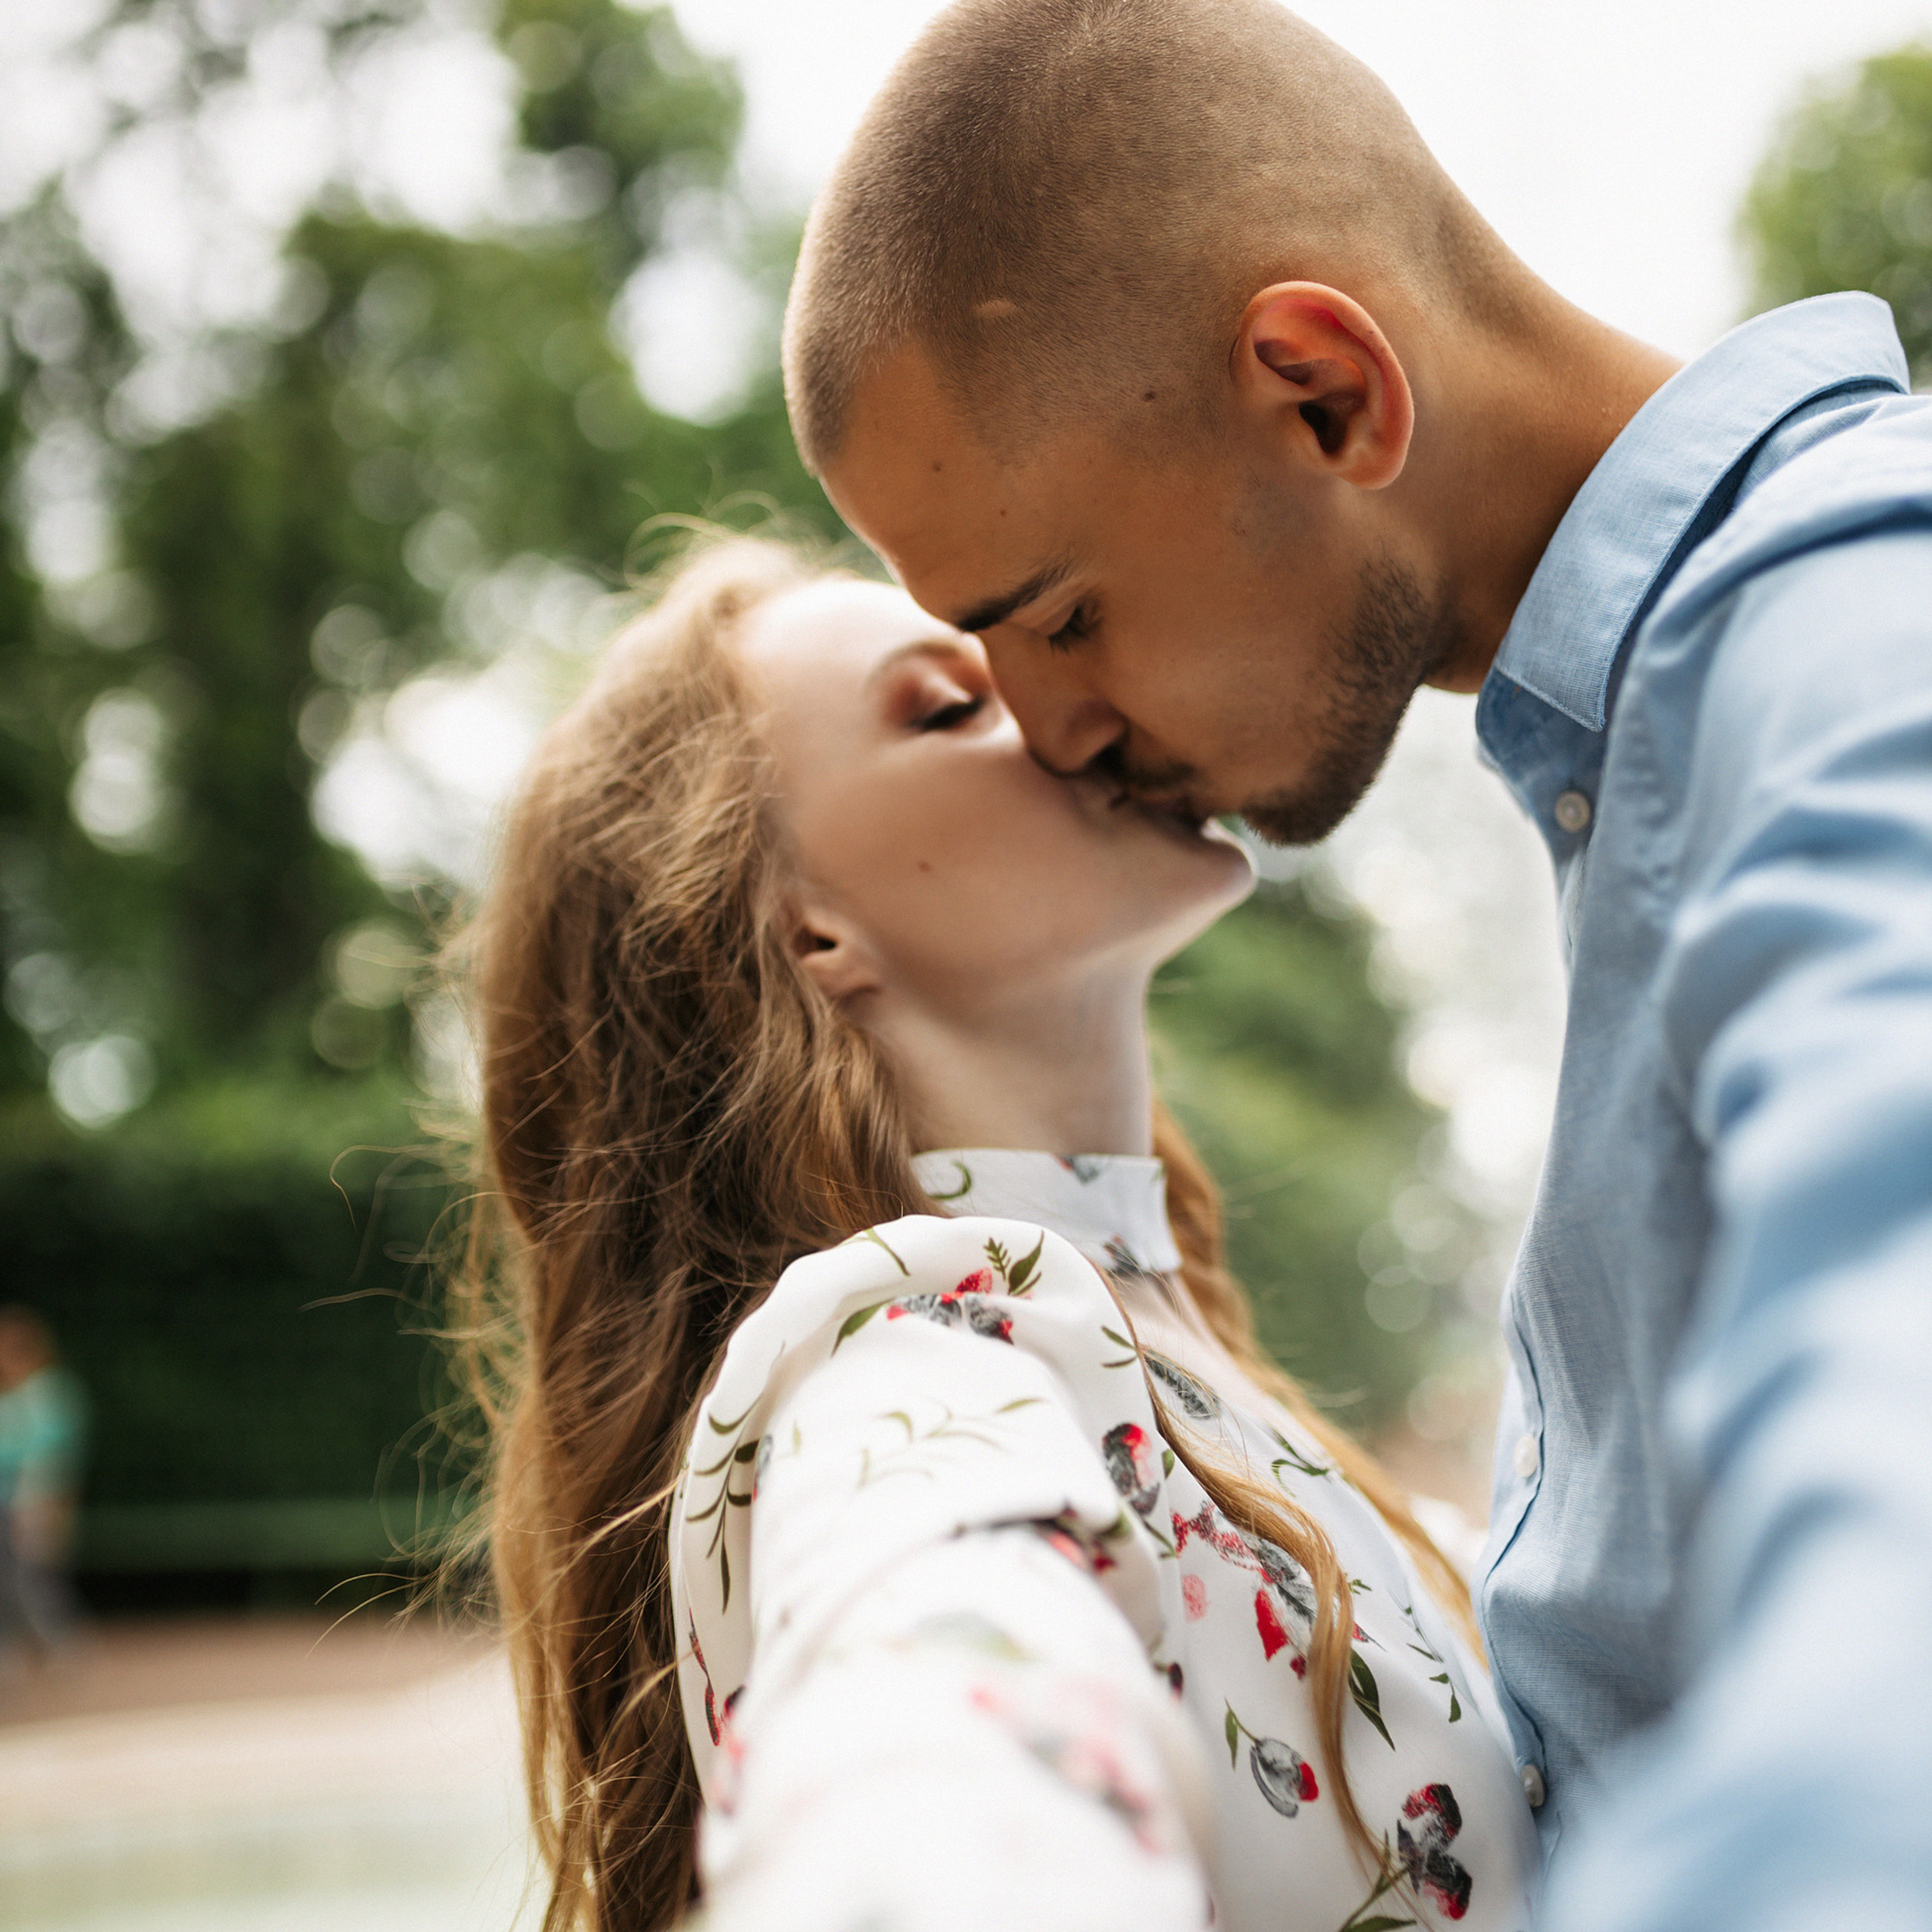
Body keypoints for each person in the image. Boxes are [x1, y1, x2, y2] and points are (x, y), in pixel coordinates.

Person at [777, 3, 1932, 1930]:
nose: (1048, 730)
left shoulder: (1850, 653)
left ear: (1320, 391)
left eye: (1056, 616)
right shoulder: (1665, 728)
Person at [458, 536, 1540, 1931]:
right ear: (808, 936)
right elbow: (939, 1703)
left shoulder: (1163, 1343)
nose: (1060, 700)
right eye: (949, 704)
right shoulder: (907, 1356)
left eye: (1044, 637)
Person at [0, 1308, 87, 1660]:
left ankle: (63, 1645)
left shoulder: (50, 1395)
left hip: (31, 1503)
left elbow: (53, 1462)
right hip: (10, 1503)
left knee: (31, 1579)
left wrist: (51, 1508)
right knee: (15, 1579)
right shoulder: (15, 1398)